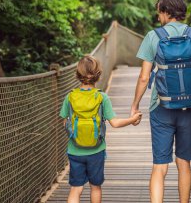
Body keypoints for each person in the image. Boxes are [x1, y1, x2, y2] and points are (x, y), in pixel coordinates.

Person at [130, 0, 191, 203]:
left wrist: (135, 105)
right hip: (190, 108)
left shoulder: (153, 37)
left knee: (160, 166)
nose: (158, 18)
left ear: (165, 12)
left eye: (159, 13)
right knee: (184, 163)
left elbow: (144, 77)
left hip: (161, 108)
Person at [60, 55, 142, 203]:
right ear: (98, 75)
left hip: (75, 150)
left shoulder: (70, 97)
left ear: (78, 75)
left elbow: (64, 122)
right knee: (95, 187)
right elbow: (115, 123)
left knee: (75, 189)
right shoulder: (102, 97)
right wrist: (132, 119)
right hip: (96, 151)